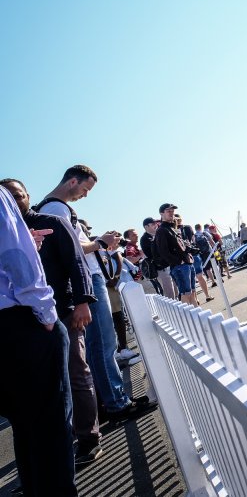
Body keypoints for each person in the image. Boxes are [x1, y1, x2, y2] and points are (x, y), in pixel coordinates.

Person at [36, 165, 154, 425]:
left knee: (98, 345)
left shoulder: (53, 207)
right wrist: (100, 242)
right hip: (88, 280)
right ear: (72, 181)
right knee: (102, 343)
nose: (85, 195)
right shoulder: (56, 208)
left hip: (87, 279)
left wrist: (100, 242)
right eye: (85, 189)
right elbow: (73, 247)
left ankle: (111, 400)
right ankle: (117, 403)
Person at [2, 178, 104, 468]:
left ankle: (89, 438)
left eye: (18, 195)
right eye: (9, 196)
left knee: (76, 373)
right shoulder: (6, 231)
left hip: (63, 312)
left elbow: (76, 262)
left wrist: (83, 302)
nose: (15, 201)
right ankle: (54, 451)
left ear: (28, 195)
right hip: (25, 324)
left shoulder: (53, 222)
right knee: (40, 391)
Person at [0, 185, 78, 496]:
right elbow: (16, 258)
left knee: (24, 424)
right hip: (20, 322)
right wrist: (46, 314)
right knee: (50, 427)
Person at [154, 203, 198, 305]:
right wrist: (178, 261)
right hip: (179, 266)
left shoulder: (173, 228)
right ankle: (188, 315)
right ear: (161, 214)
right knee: (186, 294)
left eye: (172, 211)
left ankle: (197, 313)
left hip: (187, 263)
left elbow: (180, 246)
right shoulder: (161, 230)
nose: (171, 213)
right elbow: (163, 251)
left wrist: (190, 251)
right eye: (168, 211)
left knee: (192, 293)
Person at [140, 217, 176, 299]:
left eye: (156, 223)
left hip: (170, 264)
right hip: (160, 268)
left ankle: (178, 303)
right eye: (153, 224)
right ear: (146, 227)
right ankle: (171, 307)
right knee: (169, 292)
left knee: (175, 288)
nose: (155, 225)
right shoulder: (144, 239)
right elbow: (152, 254)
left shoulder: (159, 233)